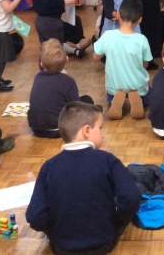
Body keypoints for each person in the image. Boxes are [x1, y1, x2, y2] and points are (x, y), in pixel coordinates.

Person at [26, 102, 141, 255]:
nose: (103, 134)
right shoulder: (108, 160)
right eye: (100, 128)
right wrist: (118, 222)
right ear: (86, 131)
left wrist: (53, 232)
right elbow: (131, 197)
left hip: (62, 248)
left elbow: (35, 216)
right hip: (103, 244)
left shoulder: (49, 167)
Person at [93, 0, 152, 120]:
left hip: (114, 87)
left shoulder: (108, 36)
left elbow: (95, 57)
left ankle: (114, 99)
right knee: (151, 92)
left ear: (118, 14)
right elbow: (145, 64)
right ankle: (139, 99)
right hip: (138, 86)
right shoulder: (142, 40)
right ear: (140, 20)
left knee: (111, 94)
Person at [28, 39, 94, 138]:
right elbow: (75, 107)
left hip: (35, 128)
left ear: (41, 63)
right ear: (67, 59)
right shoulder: (68, 81)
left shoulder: (38, 77)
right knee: (87, 100)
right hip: (60, 129)